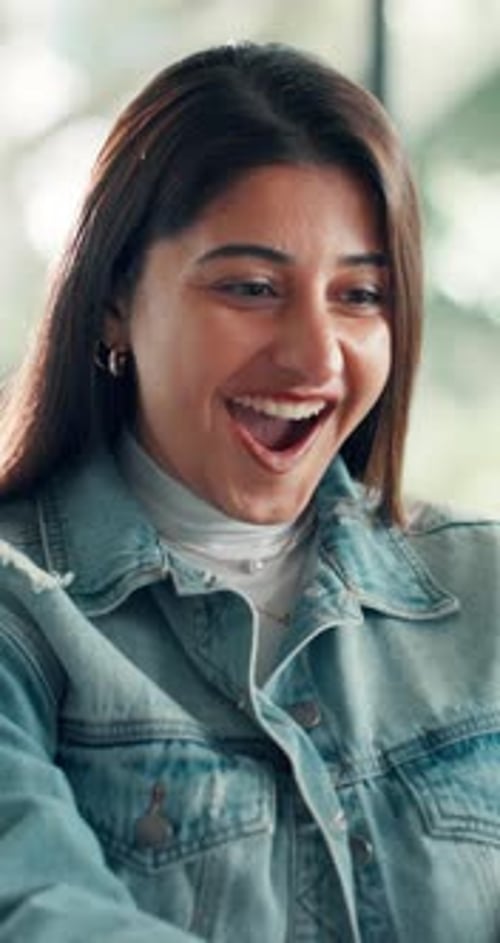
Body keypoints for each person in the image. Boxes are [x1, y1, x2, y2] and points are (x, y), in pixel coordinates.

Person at [0, 41, 499, 943]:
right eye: (252, 287)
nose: (315, 356)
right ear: (114, 300)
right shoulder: (17, 614)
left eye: (359, 295)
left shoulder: (488, 588)